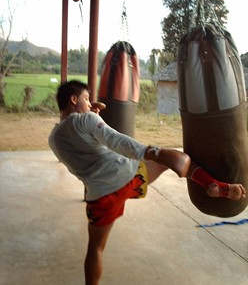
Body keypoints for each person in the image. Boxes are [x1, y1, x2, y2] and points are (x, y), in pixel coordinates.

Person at [48, 80, 246, 285]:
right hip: (130, 177)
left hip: (101, 197)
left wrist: (91, 119)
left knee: (95, 249)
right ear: (73, 99)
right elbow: (116, 140)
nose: (90, 104)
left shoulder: (53, 139)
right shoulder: (86, 119)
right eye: (87, 99)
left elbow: (85, 154)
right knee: (178, 158)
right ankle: (210, 184)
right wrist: (151, 152)